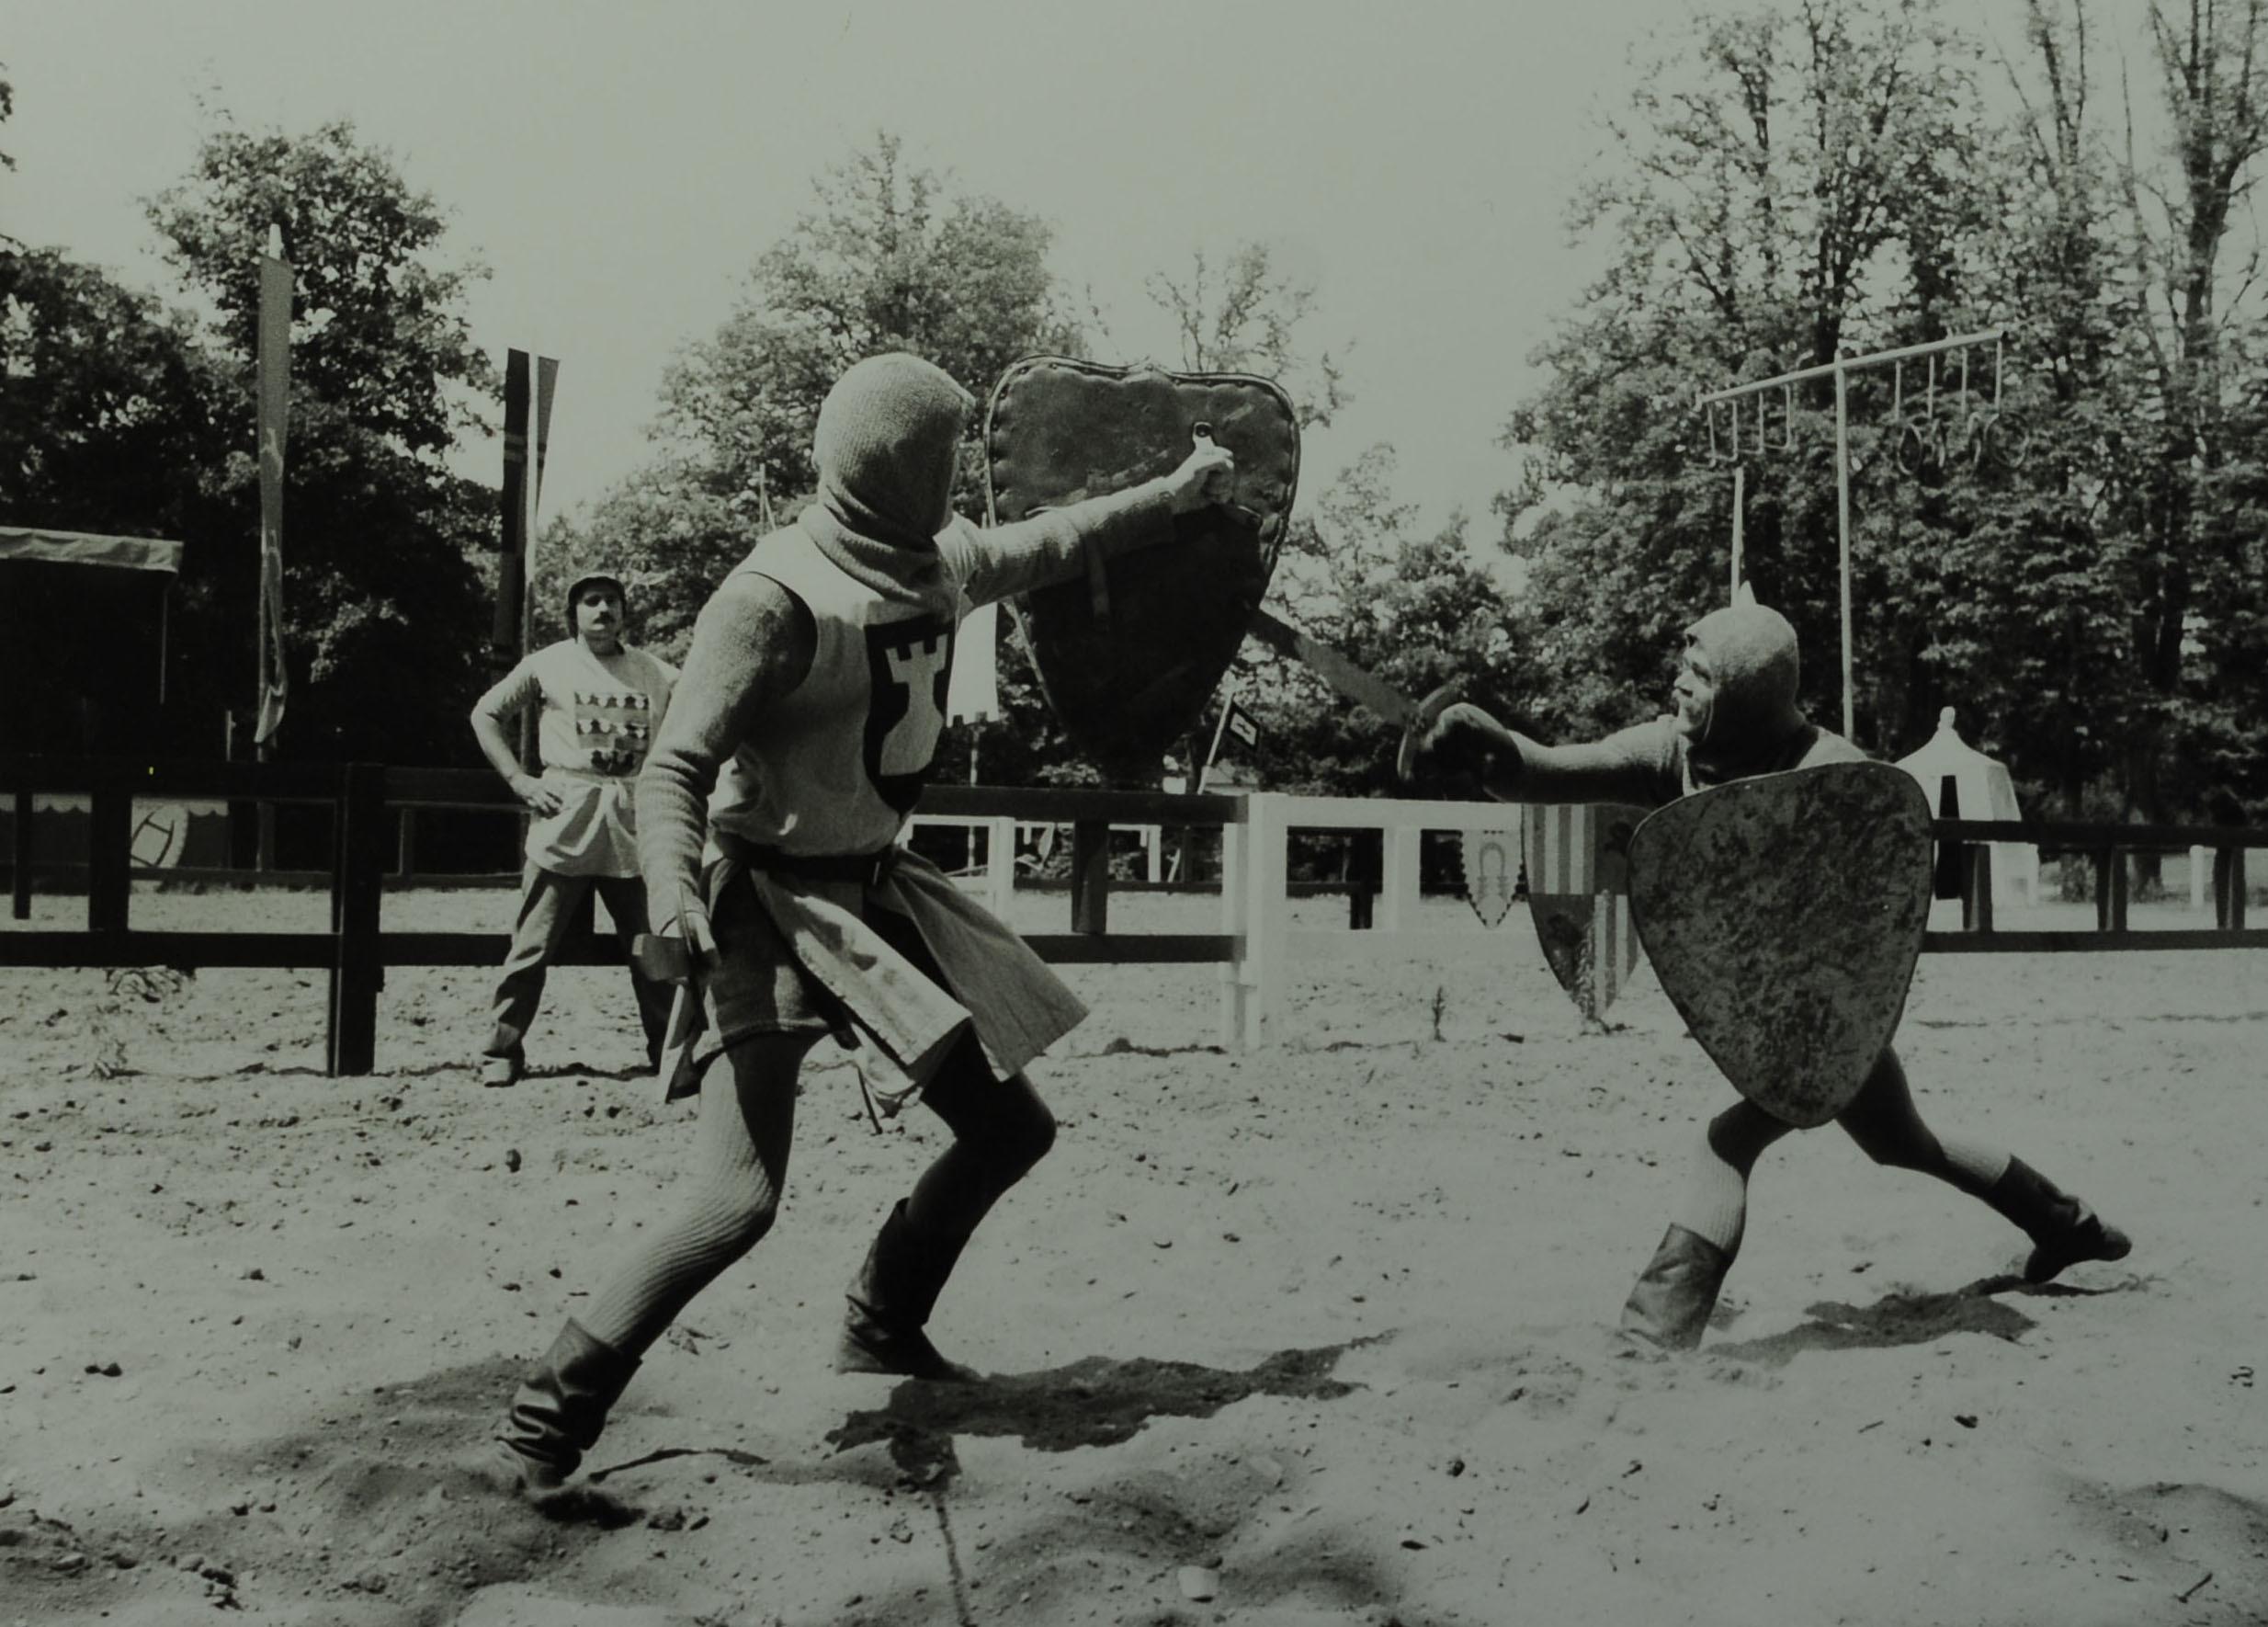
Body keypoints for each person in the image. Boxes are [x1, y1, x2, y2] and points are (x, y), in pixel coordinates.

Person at [491, 351, 1237, 1495]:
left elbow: (1057, 539)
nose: (955, 483)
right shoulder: (771, 599)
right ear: (900, 468)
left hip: (874, 890)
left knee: (1008, 1133)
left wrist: (1174, 493)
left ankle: (881, 1324)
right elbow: (674, 765)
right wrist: (675, 895)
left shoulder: (933, 560)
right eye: (940, 462)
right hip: (769, 902)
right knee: (734, 1202)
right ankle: (540, 1433)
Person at [1404, 601, 2132, 1351]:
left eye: (1701, 673)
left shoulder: (1835, 775)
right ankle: (2067, 1225)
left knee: (1725, 1144)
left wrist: (1833, 1014)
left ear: (1750, 693)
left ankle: (1652, 1335)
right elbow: (1549, 769)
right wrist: (1488, 745)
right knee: (1906, 1143)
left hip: (1833, 1009)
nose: (1679, 684)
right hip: (1767, 1009)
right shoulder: (1668, 753)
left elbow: (1878, 916)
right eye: (1683, 666)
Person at [471, 571, 679, 1088]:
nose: (603, 610)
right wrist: (519, 780)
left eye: (611, 600)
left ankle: (671, 1052)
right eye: (591, 601)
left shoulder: (655, 672)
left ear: (624, 611)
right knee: (532, 946)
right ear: (575, 614)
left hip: (632, 823)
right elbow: (485, 714)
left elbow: (707, 709)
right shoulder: (548, 664)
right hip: (566, 817)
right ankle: (501, 1049)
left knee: (652, 947)